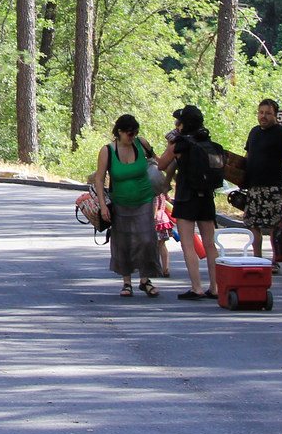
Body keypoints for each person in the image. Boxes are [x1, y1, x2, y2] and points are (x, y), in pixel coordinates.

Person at [89, 114, 163, 297]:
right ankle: (126, 282)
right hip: (120, 202)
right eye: (130, 133)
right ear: (119, 132)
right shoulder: (108, 151)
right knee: (123, 242)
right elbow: (99, 179)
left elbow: (158, 161)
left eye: (136, 133)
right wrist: (103, 206)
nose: (133, 137)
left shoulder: (141, 144)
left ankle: (146, 280)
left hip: (144, 199)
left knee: (146, 240)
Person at [154, 105, 221, 300]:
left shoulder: (180, 144)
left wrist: (171, 143)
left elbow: (162, 164)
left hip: (186, 196)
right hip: (207, 196)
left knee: (188, 243)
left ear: (182, 125)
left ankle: (196, 287)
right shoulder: (209, 143)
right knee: (210, 244)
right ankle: (215, 287)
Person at [243, 98, 282, 258]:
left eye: (268, 113)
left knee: (275, 225)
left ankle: (275, 259)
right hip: (253, 187)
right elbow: (247, 155)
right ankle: (257, 258)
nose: (263, 116)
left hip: (274, 187)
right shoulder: (254, 132)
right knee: (252, 224)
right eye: (261, 113)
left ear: (276, 116)